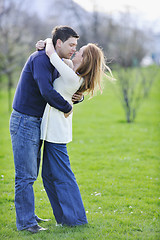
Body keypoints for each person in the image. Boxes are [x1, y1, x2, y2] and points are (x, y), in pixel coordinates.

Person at [9, 25, 83, 233]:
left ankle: (28, 215)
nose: (74, 50)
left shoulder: (54, 60)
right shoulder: (41, 59)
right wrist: (67, 108)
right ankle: (26, 223)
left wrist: (77, 98)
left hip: (38, 122)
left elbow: (65, 88)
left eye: (76, 46)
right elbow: (47, 91)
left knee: (31, 173)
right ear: (58, 43)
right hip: (25, 121)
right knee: (26, 175)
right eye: (71, 45)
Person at [36, 38, 114, 226]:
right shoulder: (73, 72)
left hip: (56, 134)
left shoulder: (72, 77)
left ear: (85, 59)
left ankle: (76, 220)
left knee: (63, 177)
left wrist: (48, 41)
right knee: (48, 177)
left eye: (80, 51)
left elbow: (53, 56)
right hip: (52, 131)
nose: (75, 52)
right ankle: (64, 219)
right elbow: (63, 60)